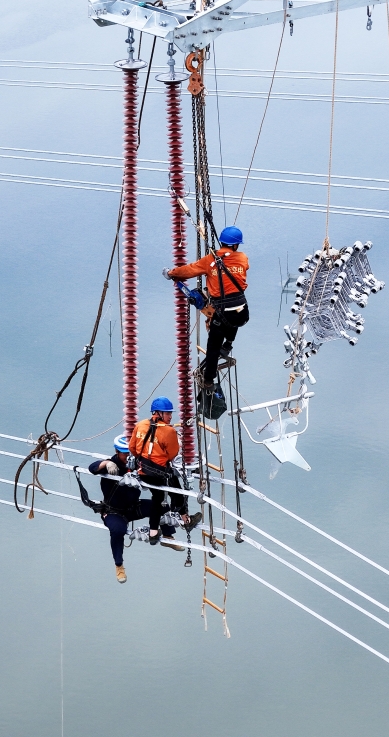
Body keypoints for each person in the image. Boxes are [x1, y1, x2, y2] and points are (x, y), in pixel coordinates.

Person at [166, 226, 249, 383]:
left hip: (223, 313)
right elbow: (239, 267)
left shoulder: (209, 261)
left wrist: (171, 273)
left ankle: (209, 380)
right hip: (243, 312)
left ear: (222, 242)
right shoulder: (243, 258)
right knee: (234, 317)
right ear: (236, 245)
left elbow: (189, 270)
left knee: (213, 347)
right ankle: (228, 344)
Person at [128, 397, 200, 549]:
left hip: (143, 471)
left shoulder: (140, 425)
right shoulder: (169, 431)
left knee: (158, 497)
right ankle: (186, 520)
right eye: (168, 413)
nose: (170, 416)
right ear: (159, 413)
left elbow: (132, 448)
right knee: (176, 490)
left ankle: (153, 532)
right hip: (159, 473)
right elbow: (173, 454)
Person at [84, 435, 151, 583]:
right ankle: (119, 565)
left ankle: (168, 535)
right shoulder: (111, 464)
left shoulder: (137, 464)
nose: (128, 456)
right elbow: (92, 468)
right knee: (118, 531)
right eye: (125, 453)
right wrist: (106, 463)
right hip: (113, 511)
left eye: (131, 453)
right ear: (117, 452)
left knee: (160, 507)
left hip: (132, 508)